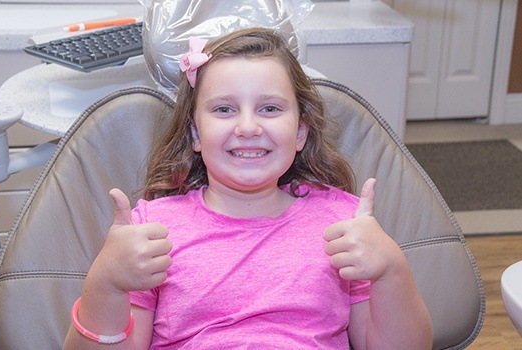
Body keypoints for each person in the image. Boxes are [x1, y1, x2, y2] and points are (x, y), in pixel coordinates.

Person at [64, 27, 432, 349]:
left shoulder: (345, 225)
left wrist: (391, 270)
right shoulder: (151, 231)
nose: (248, 127)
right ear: (195, 132)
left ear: (301, 130)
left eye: (270, 109)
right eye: (224, 110)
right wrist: (105, 284)